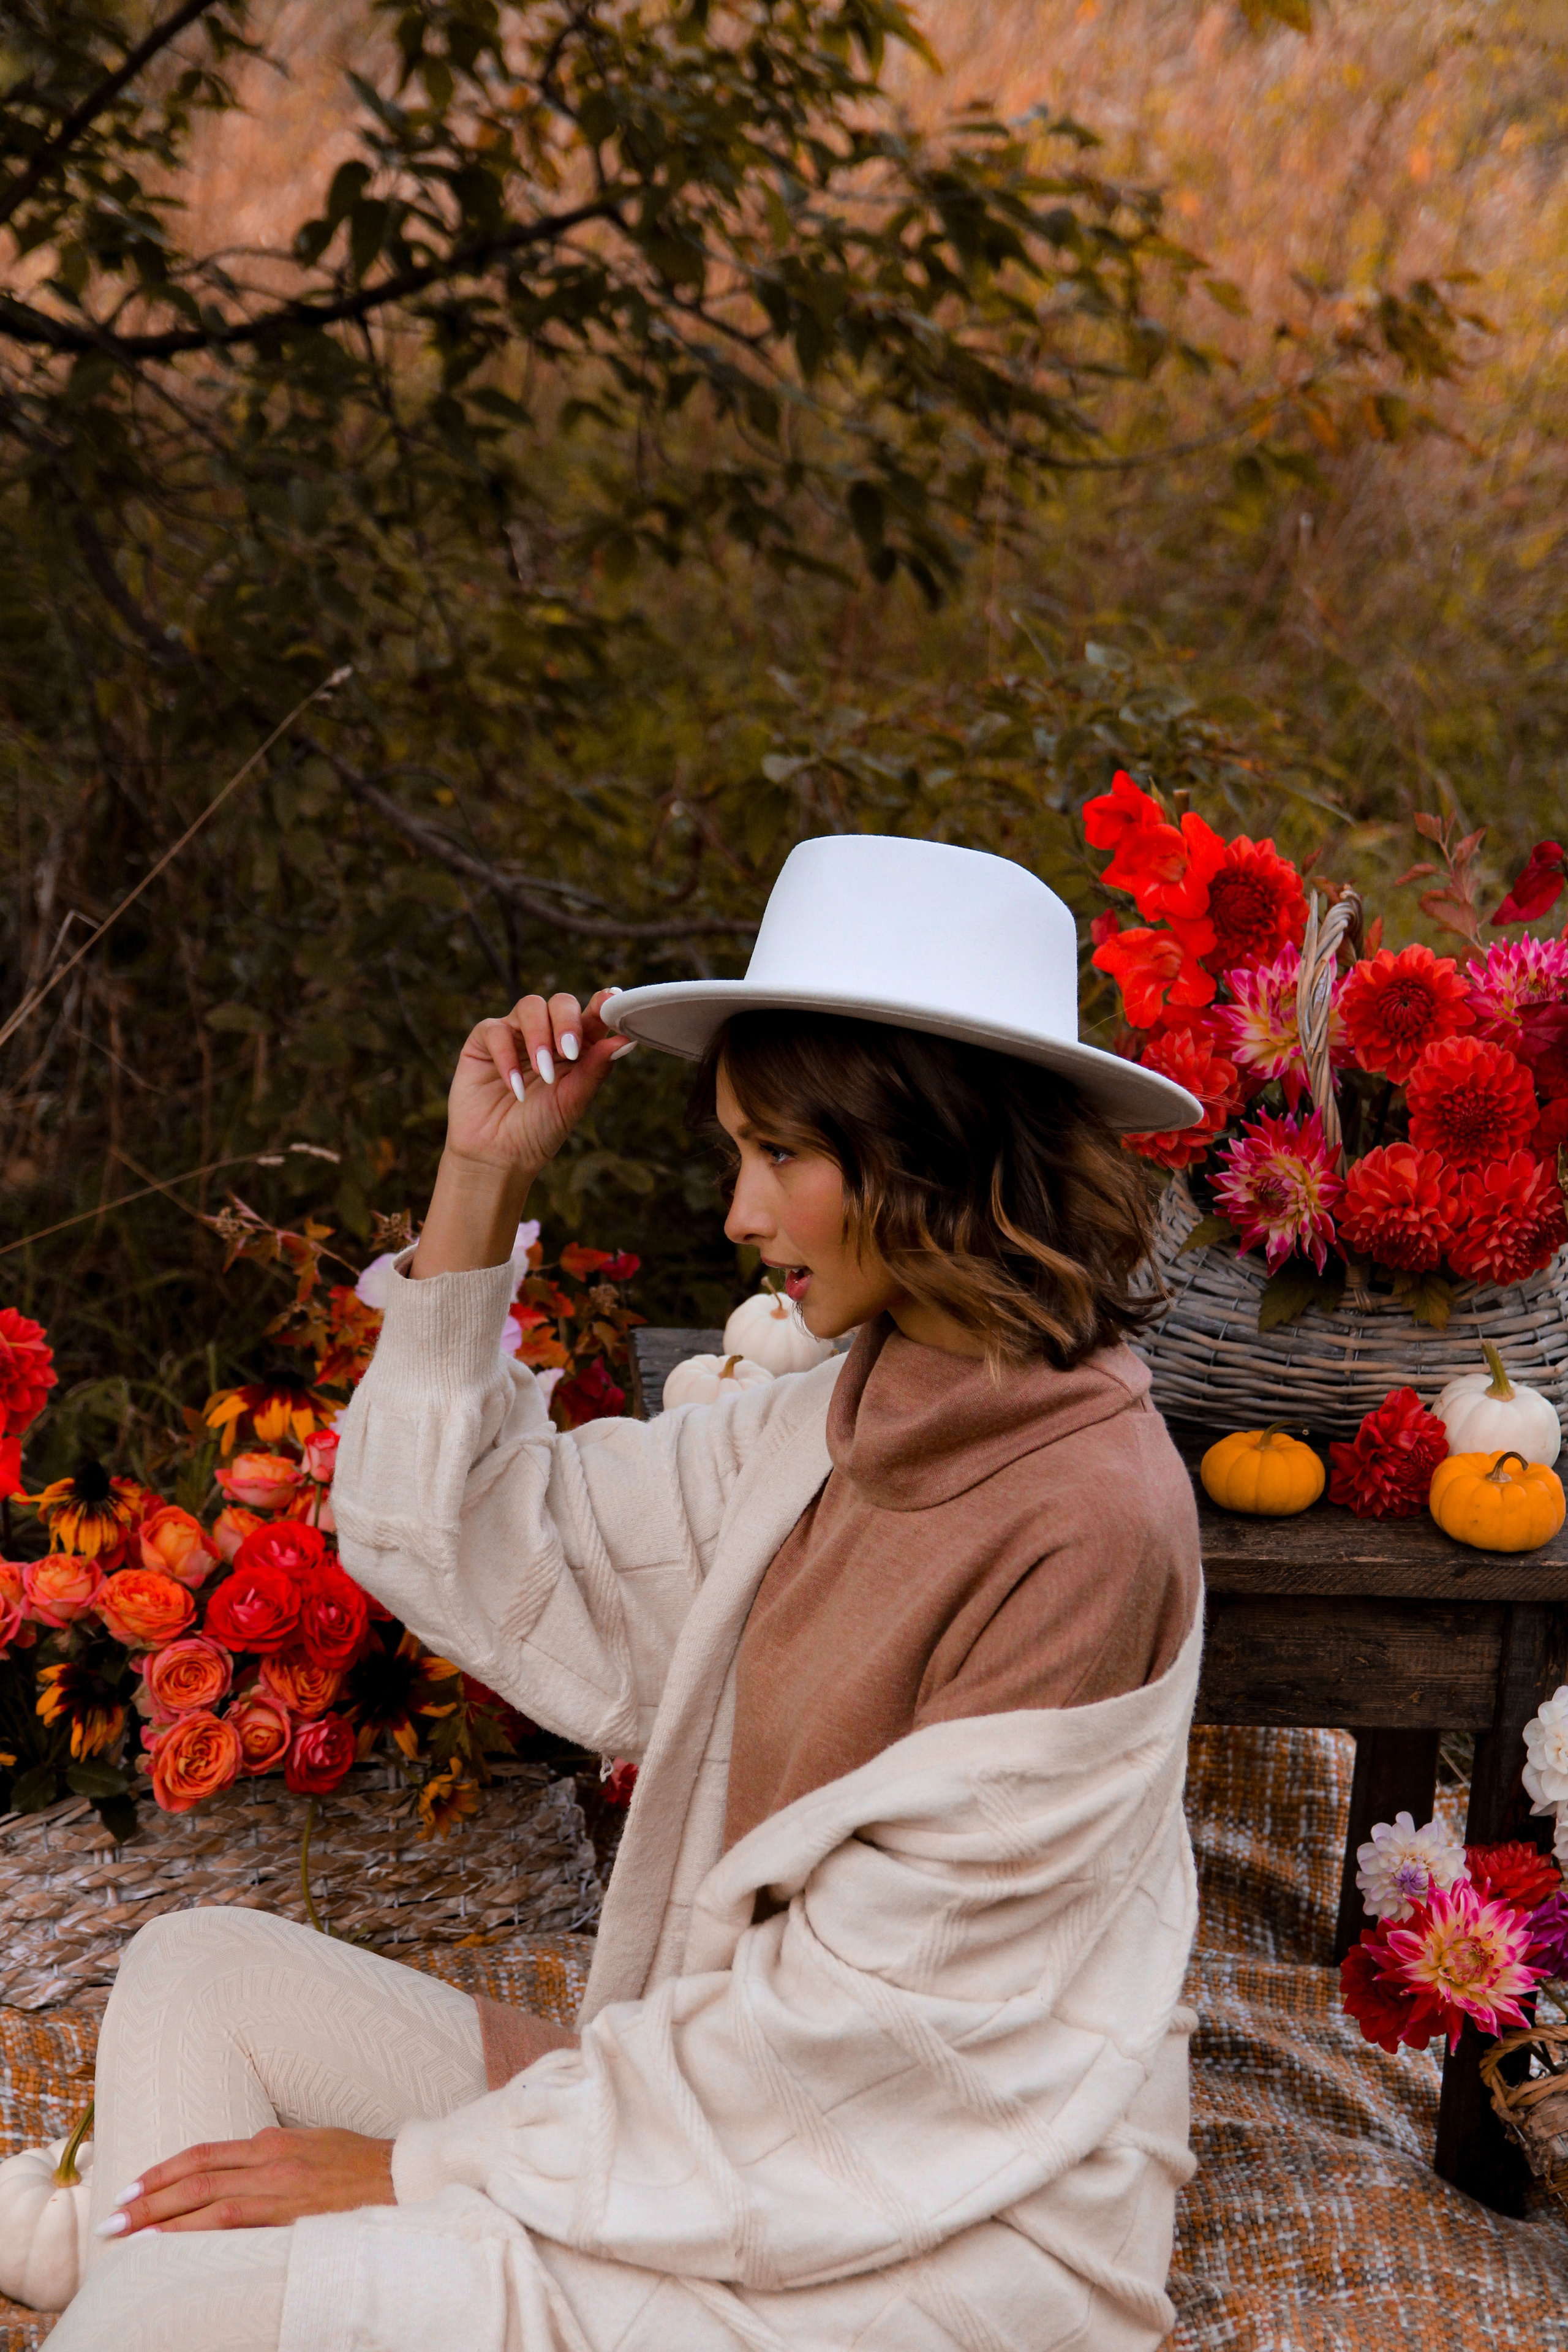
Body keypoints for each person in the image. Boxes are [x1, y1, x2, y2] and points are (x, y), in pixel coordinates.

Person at [53, 834, 1206, 2352]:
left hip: (929, 2235)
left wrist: (408, 2177)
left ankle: (152, 2283)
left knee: (167, 2309)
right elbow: (470, 1535)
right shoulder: (841, 1416)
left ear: (929, 1151)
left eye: (779, 1157)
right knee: (198, 1975)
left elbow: (866, 2049)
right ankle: (170, 2276)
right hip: (733, 2124)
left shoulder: (1086, 1519)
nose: (736, 1214)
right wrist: (482, 1173)